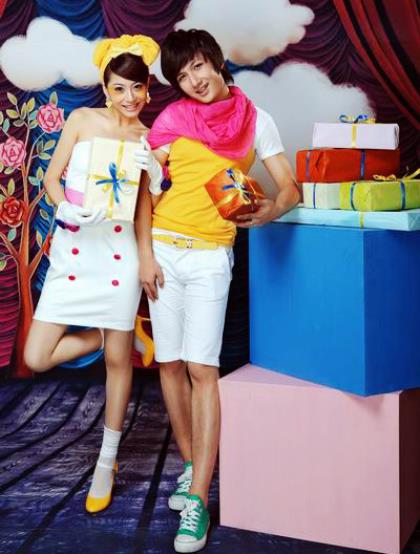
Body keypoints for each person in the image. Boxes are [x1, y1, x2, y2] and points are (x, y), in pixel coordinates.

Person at [139, 29, 300, 553]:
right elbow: (145, 193)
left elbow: (289, 186)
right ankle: (192, 465)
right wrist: (145, 255)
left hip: (211, 255)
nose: (194, 80)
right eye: (182, 75)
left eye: (198, 66)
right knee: (170, 363)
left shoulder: (256, 120)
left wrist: (271, 210)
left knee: (202, 369)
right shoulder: (171, 120)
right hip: (163, 251)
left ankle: (198, 502)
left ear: (215, 62)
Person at [24, 34, 163, 514]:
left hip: (119, 255)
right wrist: (64, 207)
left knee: (120, 364)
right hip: (75, 252)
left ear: (147, 89)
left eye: (138, 87)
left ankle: (107, 462)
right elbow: (51, 178)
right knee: (37, 355)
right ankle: (109, 335)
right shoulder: (81, 120)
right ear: (106, 89)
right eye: (120, 88)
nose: (130, 97)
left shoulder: (148, 140)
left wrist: (147, 256)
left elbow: (144, 210)